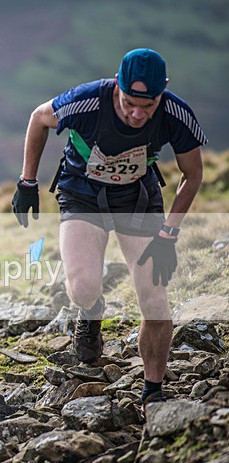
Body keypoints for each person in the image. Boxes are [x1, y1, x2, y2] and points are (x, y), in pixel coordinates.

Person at [12, 48, 206, 411]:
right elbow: (39, 117)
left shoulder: (175, 114)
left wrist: (169, 234)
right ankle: (90, 312)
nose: (137, 113)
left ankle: (153, 389)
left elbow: (193, 175)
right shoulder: (86, 100)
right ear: (117, 86)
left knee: (155, 299)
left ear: (161, 94)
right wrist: (27, 182)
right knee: (83, 287)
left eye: (147, 106)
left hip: (137, 199)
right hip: (82, 194)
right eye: (130, 102)